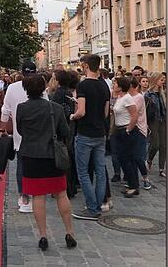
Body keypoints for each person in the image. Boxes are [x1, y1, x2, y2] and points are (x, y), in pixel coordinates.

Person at [15, 74, 77, 251]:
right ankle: (69, 232)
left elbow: (20, 130)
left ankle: (43, 236)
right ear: (44, 87)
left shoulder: (22, 108)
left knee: (38, 197)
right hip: (52, 157)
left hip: (31, 156)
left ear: (26, 89)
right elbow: (65, 132)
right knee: (61, 194)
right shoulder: (55, 108)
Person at [0, 62, 47, 213]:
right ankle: (35, 195)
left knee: (21, 165)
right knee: (36, 164)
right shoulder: (40, 87)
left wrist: (2, 128)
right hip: (39, 134)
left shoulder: (12, 87)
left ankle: (24, 197)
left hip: (20, 133)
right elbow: (47, 108)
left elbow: (5, 110)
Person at [69, 54, 110, 221]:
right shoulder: (104, 85)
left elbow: (81, 111)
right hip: (100, 133)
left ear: (86, 66)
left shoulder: (83, 85)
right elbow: (106, 113)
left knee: (83, 172)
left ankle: (92, 208)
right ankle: (98, 205)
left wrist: (72, 116)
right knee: (100, 171)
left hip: (85, 133)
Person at [119, 75, 150, 196]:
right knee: (130, 157)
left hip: (139, 129)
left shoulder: (138, 97)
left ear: (131, 86)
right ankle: (132, 182)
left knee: (137, 157)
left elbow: (131, 112)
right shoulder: (126, 97)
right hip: (130, 129)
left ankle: (145, 178)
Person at [52, 69, 79, 198]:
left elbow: (57, 113)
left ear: (58, 81)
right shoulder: (68, 93)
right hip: (69, 126)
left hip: (61, 129)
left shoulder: (58, 94)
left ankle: (64, 187)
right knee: (69, 157)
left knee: (61, 158)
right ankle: (71, 187)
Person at [146, 72, 167, 178]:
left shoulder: (162, 93)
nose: (163, 81)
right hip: (153, 121)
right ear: (155, 80)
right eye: (161, 80)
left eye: (163, 80)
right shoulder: (148, 94)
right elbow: (145, 110)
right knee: (155, 144)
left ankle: (161, 168)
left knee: (164, 145)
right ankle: (149, 159)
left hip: (163, 120)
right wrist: (145, 123)